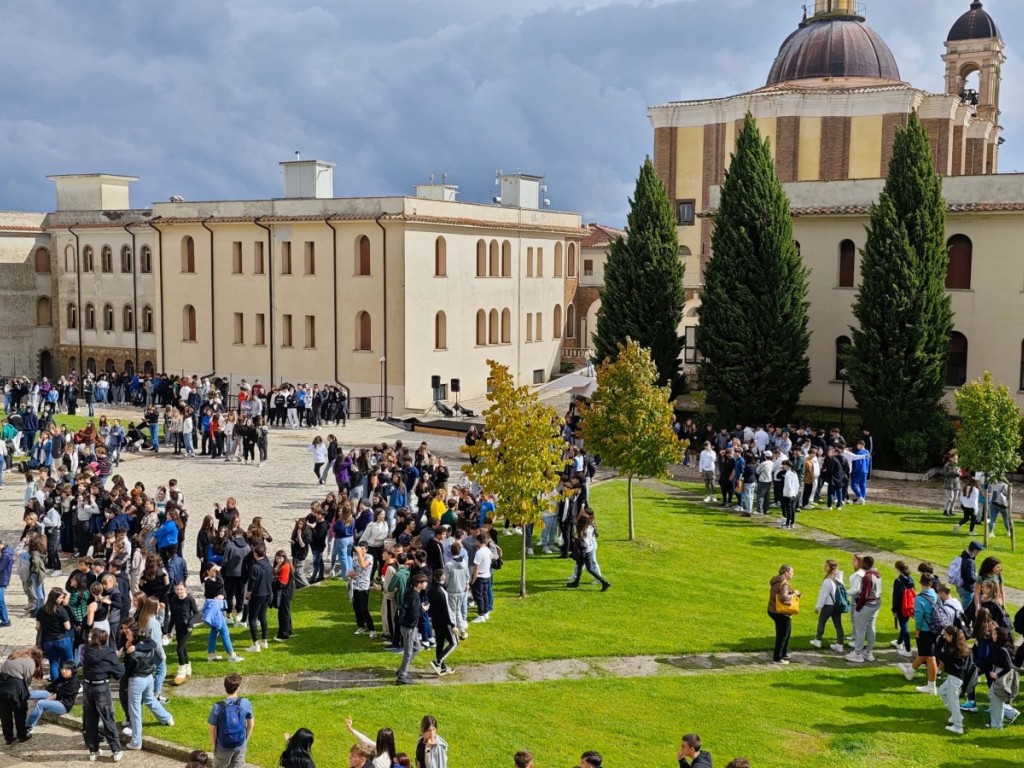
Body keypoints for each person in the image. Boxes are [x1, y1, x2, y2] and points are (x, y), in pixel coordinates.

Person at [121, 622, 174, 749]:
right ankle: (167, 718)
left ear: (134, 637)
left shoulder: (132, 652)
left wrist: (128, 652)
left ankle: (136, 741)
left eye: (129, 634)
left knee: (135, 710)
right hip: (149, 677)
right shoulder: (147, 644)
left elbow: (126, 670)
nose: (127, 635)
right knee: (150, 700)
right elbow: (153, 644)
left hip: (136, 681)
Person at [80, 629, 123, 760]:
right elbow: (120, 672)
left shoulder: (86, 651)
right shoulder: (108, 653)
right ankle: (116, 750)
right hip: (101, 687)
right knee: (107, 717)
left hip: (87, 687)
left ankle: (93, 750)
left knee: (90, 719)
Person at [898, 573, 940, 695]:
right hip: (934, 629)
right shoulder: (935, 595)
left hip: (925, 630)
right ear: (931, 584)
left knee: (930, 657)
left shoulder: (920, 598)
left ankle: (931, 686)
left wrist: (917, 631)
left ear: (921, 583)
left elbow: (919, 616)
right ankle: (910, 672)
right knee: (923, 653)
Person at [207, 673, 254, 768]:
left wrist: (214, 745)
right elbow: (251, 724)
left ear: (225, 687)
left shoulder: (218, 706)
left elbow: (211, 729)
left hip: (223, 746)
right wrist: (245, 740)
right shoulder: (245, 703)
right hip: (240, 744)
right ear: (238, 688)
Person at [0, 647, 43, 745]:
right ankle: (22, 735)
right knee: (20, 712)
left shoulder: (14, 656)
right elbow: (27, 680)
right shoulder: (30, 662)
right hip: (15, 686)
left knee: (5, 714)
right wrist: (26, 690)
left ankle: (8, 738)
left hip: (1, 685)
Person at [936, 626, 974, 735]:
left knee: (954, 701)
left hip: (955, 678)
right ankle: (956, 715)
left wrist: (941, 639)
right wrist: (945, 638)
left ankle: (958, 726)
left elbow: (937, 653)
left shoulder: (951, 651)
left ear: (951, 636)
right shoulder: (960, 646)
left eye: (946, 636)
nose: (944, 637)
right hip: (956, 677)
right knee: (942, 691)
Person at [26, 660, 79, 733]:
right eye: (62, 669)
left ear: (72, 671)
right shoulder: (62, 678)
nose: (63, 671)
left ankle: (29, 727)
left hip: (63, 705)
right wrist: (45, 692)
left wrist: (46, 700)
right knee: (43, 693)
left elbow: (58, 694)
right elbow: (51, 687)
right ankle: (22, 695)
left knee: (41, 703)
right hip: (56, 698)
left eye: (67, 669)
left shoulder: (74, 683)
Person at [983, 627, 1021, 729]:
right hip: (999, 672)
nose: (992, 636)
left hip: (1001, 675)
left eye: (995, 634)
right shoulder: (1001, 647)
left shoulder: (1002, 650)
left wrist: (997, 675)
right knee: (993, 695)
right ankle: (1011, 713)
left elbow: (1008, 666)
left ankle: (996, 725)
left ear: (1000, 637)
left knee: (996, 700)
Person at [847, 555, 881, 663]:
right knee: (871, 627)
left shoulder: (867, 577)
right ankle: (868, 653)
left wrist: (858, 607)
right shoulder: (877, 575)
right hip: (876, 604)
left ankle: (857, 654)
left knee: (860, 630)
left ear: (864, 564)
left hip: (867, 605)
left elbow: (864, 595)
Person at [396, 573, 428, 685]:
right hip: (409, 627)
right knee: (408, 652)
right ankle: (401, 676)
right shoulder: (415, 597)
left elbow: (411, 607)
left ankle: (402, 669)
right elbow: (414, 613)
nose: (426, 584)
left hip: (408, 626)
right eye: (425, 582)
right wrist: (420, 613)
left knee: (417, 647)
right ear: (419, 584)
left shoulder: (411, 593)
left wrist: (421, 608)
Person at [566, 511, 610, 591]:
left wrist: (581, 555)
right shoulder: (590, 527)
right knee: (579, 566)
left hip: (585, 551)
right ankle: (576, 582)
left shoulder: (582, 531)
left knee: (590, 569)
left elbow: (582, 543)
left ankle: (604, 582)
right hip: (589, 549)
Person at [767, 564, 800, 665]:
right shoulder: (784, 583)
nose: (792, 574)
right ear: (786, 573)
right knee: (782, 635)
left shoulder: (776, 581)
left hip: (772, 610)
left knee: (786, 632)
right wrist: (794, 595)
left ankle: (783, 653)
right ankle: (777, 658)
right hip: (781, 612)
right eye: (791, 572)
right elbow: (783, 598)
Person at [811, 559, 846, 653]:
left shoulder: (827, 581)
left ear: (830, 568)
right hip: (837, 605)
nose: (824, 567)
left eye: (826, 566)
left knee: (821, 621)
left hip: (828, 606)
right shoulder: (839, 579)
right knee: (838, 624)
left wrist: (818, 607)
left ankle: (817, 640)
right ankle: (840, 644)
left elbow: (823, 595)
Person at [428, 569, 457, 675]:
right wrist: (452, 624)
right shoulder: (442, 592)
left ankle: (442, 667)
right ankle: (438, 661)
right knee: (454, 643)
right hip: (445, 622)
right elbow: (446, 610)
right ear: (443, 578)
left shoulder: (431, 589)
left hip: (435, 621)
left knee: (440, 643)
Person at [890, 561, 916, 658]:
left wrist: (894, 610)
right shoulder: (911, 580)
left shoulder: (898, 581)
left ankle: (908, 649)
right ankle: (899, 642)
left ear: (898, 569)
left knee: (904, 627)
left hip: (901, 607)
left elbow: (896, 597)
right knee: (904, 624)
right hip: (909, 606)